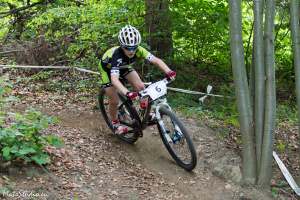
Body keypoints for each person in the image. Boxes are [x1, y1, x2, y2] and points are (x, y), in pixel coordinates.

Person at [98, 25, 176, 135]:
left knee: (141, 88)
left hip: (124, 67)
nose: (131, 51)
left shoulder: (139, 50)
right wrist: (127, 92)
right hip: (107, 69)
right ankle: (115, 123)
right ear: (121, 46)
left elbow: (156, 60)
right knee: (114, 100)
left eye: (134, 47)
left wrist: (169, 71)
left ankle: (144, 114)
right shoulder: (117, 55)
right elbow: (114, 80)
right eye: (128, 48)